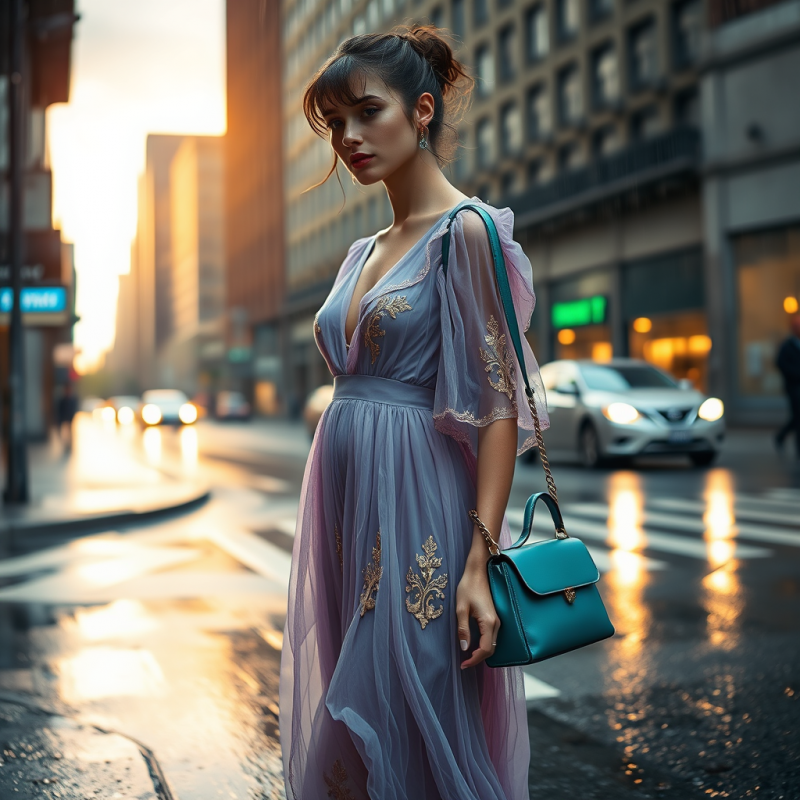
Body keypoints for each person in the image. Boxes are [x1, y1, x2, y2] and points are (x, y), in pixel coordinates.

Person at [279, 25, 549, 800]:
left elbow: (499, 404)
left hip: (420, 503)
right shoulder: (362, 250)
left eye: (368, 112)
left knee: (420, 706)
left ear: (422, 110)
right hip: (346, 506)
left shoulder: (466, 233)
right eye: (337, 123)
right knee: (353, 710)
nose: (350, 138)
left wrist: (480, 560)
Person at [775, 313, 800, 458]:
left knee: (797, 417)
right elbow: (781, 364)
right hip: (794, 387)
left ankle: (781, 435)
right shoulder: (787, 346)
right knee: (798, 417)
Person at [56, 382, 78, 448]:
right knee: (65, 435)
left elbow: (74, 410)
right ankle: (66, 446)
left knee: (70, 435)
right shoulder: (62, 401)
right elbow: (59, 411)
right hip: (64, 421)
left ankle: (69, 446)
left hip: (70, 421)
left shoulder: (73, 400)